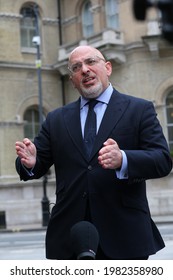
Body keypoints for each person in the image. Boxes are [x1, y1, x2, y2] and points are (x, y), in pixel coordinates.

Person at [15, 45, 172, 260]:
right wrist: (30, 163)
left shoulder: (139, 109)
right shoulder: (56, 119)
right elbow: (36, 163)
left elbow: (162, 160)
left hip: (124, 234)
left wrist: (123, 159)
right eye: (76, 67)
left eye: (91, 62)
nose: (85, 70)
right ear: (72, 80)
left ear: (107, 67)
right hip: (70, 235)